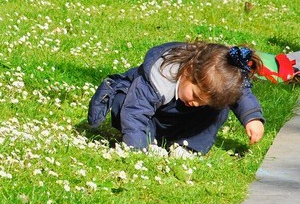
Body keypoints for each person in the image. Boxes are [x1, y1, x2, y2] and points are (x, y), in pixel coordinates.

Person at [87, 41, 265, 154]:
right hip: (147, 117)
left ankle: (188, 147)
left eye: (202, 101)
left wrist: (252, 118)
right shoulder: (161, 76)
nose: (196, 103)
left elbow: (240, 92)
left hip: (177, 122)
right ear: (188, 71)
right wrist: (137, 149)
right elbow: (135, 113)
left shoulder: (212, 84)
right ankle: (148, 143)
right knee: (123, 100)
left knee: (219, 107)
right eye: (195, 95)